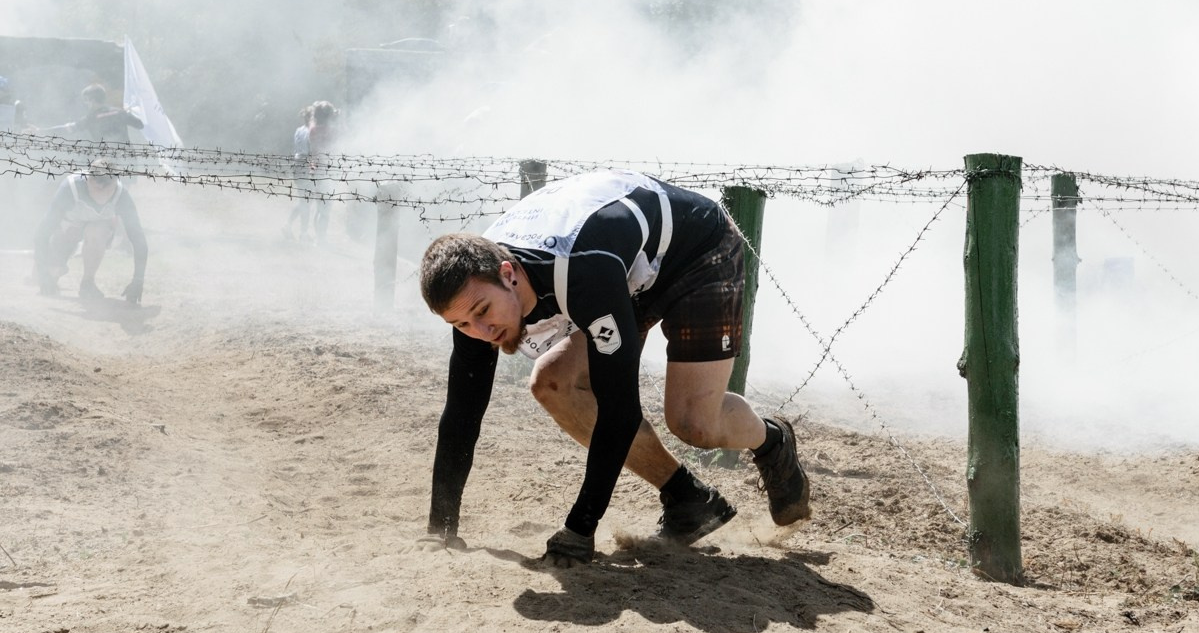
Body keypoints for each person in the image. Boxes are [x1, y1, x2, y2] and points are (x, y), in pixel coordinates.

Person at [419, 168, 812, 567]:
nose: (481, 332)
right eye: (462, 324)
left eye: (484, 313)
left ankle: (772, 441)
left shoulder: (581, 271)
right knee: (553, 384)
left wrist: (579, 530)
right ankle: (687, 498)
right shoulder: (471, 295)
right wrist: (442, 527)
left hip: (696, 253)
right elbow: (462, 411)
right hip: (624, 268)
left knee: (694, 423)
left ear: (508, 274)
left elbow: (620, 411)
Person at [34, 160, 148, 302]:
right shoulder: (71, 188)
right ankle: (49, 271)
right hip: (68, 230)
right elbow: (42, 232)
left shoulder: (121, 195)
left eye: (108, 189)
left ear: (115, 181)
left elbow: (138, 239)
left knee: (97, 231)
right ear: (88, 180)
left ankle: (88, 283)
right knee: (53, 271)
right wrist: (42, 271)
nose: (103, 194)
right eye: (98, 188)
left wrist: (138, 280)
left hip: (97, 229)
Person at [283, 100, 339, 243]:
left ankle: (292, 227)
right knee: (319, 206)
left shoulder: (302, 130)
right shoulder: (326, 131)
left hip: (302, 164)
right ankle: (314, 236)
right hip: (315, 166)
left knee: (305, 201)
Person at [38, 84, 143, 143]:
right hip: (129, 161)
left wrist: (41, 131)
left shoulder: (91, 118)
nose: (85, 104)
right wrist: (129, 112)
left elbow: (67, 129)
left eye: (85, 100)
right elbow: (140, 124)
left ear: (91, 100)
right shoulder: (120, 113)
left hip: (107, 163)